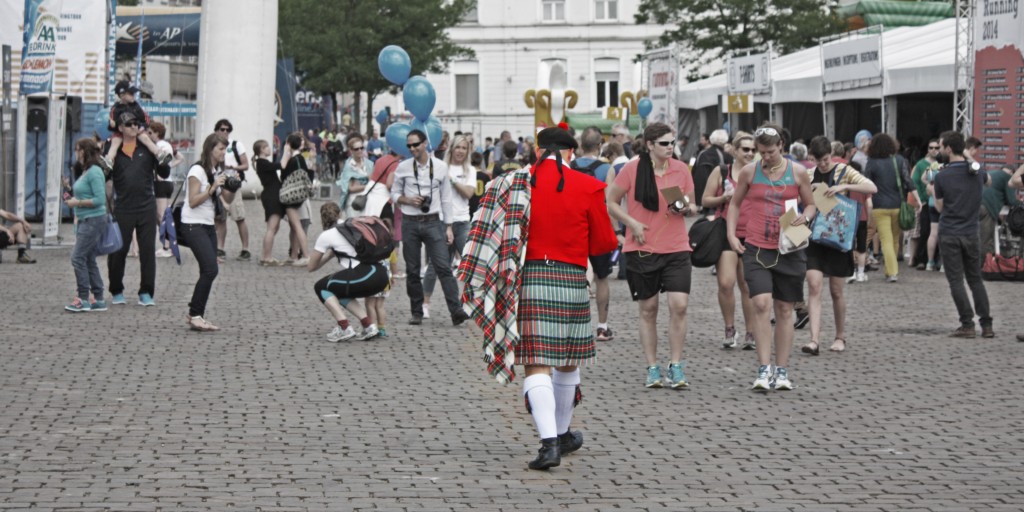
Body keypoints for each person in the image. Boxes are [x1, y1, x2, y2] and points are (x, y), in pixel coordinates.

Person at [460, 124, 617, 470]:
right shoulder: (589, 186)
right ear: (569, 153)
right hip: (573, 278)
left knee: (537, 362)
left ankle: (550, 443)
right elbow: (605, 244)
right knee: (567, 360)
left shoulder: (513, 184)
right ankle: (560, 433)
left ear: (537, 150)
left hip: (531, 277)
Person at [726, 124, 817, 391]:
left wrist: (807, 216)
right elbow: (735, 203)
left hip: (790, 246)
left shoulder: (797, 172)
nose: (765, 157)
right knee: (762, 304)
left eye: (770, 152)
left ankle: (782, 370)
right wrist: (732, 235)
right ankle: (764, 369)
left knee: (786, 309)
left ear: (782, 148)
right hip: (757, 246)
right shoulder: (749, 172)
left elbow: (811, 203)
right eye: (760, 152)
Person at [607, 122, 698, 389]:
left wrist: (687, 208)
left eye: (672, 143)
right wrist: (631, 224)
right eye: (664, 143)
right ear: (649, 145)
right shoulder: (632, 170)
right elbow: (611, 201)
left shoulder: (681, 169)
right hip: (643, 247)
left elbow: (691, 202)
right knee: (648, 310)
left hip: (677, 246)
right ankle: (652, 366)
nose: (670, 147)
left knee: (679, 305)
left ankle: (676, 365)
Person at [800, 136, 876, 355]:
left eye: (825, 160)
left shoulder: (844, 170)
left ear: (830, 155)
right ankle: (814, 340)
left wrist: (844, 186)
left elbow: (872, 187)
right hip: (815, 236)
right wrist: (810, 189)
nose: (822, 164)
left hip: (838, 237)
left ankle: (840, 336)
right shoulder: (809, 174)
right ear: (811, 157)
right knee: (814, 285)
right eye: (818, 160)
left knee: (836, 290)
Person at [390, 129, 470, 326]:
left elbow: (446, 198)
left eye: (415, 144)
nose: (412, 148)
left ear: (425, 143)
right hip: (410, 221)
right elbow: (393, 193)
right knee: (413, 269)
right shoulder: (403, 167)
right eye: (409, 146)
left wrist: (449, 226)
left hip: (434, 221)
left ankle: (456, 311)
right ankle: (416, 312)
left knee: (443, 267)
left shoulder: (441, 167)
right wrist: (407, 200)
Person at [106, 113, 171, 306]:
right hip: (124, 207)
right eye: (129, 124)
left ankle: (146, 292)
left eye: (137, 124)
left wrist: (155, 149)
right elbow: (104, 173)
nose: (134, 127)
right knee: (119, 250)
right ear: (120, 128)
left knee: (147, 250)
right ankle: (116, 290)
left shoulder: (147, 147)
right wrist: (112, 151)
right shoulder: (113, 148)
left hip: (146, 206)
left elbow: (165, 171)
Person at [933, 131, 993, 339]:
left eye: (941, 146)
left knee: (956, 280)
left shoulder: (941, 176)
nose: (939, 150)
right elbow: (990, 180)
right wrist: (968, 157)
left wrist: (932, 187)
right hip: (971, 231)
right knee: (975, 279)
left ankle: (967, 324)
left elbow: (940, 207)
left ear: (949, 149)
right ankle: (986, 325)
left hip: (950, 231)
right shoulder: (976, 173)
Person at [701, 131, 757, 350]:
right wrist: (723, 198)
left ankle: (751, 332)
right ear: (734, 150)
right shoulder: (722, 171)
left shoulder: (759, 172)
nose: (750, 153)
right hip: (726, 229)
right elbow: (705, 198)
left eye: (753, 150)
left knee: (748, 285)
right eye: (745, 149)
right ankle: (729, 328)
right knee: (726, 283)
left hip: (752, 232)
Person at [308, 203, 388, 342]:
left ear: (322, 218)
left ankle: (344, 328)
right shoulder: (354, 226)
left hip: (364, 275)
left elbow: (311, 266)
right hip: (381, 274)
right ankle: (368, 326)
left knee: (321, 286)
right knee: (340, 289)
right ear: (340, 214)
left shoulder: (326, 235)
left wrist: (330, 255)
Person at [571, 126, 618, 341]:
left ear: (580, 145)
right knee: (602, 278)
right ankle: (602, 326)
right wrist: (616, 231)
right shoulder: (606, 168)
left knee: (573, 277)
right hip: (598, 227)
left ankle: (574, 327)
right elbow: (610, 203)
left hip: (574, 227)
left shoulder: (570, 166)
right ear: (600, 146)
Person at [180, 133, 229, 331]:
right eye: (221, 149)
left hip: (208, 224)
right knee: (211, 269)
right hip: (192, 224)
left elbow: (223, 199)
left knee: (206, 270)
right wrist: (212, 188)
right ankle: (195, 314)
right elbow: (192, 201)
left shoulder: (216, 170)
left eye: (226, 149)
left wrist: (231, 186)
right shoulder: (197, 171)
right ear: (210, 149)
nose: (224, 152)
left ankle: (197, 314)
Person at [423, 134, 476, 318]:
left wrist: (452, 180)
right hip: (441, 221)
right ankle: (425, 303)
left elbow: (469, 193)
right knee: (436, 265)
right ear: (451, 148)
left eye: (464, 148)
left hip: (462, 222)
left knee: (469, 263)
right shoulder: (440, 167)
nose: (460, 151)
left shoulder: (470, 170)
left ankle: (471, 302)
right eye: (458, 147)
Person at [64, 138, 108, 312]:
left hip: (93, 219)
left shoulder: (95, 171)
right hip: (85, 219)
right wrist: (68, 191)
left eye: (77, 149)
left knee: (77, 257)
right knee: (88, 258)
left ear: (84, 151)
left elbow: (99, 199)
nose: (76, 153)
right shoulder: (86, 171)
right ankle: (98, 297)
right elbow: (80, 194)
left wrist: (77, 203)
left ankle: (83, 297)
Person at [862, 133, 912, 282]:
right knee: (895, 239)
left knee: (886, 239)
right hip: (897, 205)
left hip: (879, 206)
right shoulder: (899, 160)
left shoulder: (872, 162)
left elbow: (867, 183)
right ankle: (891, 269)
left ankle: (892, 271)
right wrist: (916, 198)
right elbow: (908, 181)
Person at [104, 80, 168, 169]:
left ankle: (159, 154)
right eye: (131, 93)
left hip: (136, 130)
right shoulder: (116, 108)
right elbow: (112, 122)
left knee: (145, 138)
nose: (133, 95)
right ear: (122, 95)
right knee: (115, 143)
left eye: (134, 93)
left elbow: (146, 118)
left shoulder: (135, 105)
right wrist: (113, 124)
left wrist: (142, 127)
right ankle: (109, 161)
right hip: (120, 132)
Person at [212, 119, 251, 262]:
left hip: (233, 183)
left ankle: (245, 249)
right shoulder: (213, 145)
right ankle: (220, 248)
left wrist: (232, 167)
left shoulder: (236, 145)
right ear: (216, 130)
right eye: (222, 129)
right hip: (219, 183)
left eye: (228, 129)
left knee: (239, 216)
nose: (225, 132)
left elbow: (245, 165)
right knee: (220, 219)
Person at [148, 122, 183, 258]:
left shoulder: (160, 146)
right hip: (166, 182)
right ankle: (168, 244)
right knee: (163, 216)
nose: (148, 135)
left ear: (157, 133)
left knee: (161, 215)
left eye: (151, 133)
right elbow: (178, 159)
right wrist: (169, 168)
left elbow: (160, 162)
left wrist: (159, 173)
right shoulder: (167, 145)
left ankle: (168, 246)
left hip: (161, 183)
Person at [280, 132, 313, 266]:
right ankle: (293, 255)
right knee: (295, 227)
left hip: (291, 197)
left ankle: (305, 255)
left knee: (297, 226)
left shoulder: (293, 160)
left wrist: (285, 153)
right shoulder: (301, 158)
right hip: (300, 196)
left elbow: (282, 172)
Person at [252, 140, 285, 266]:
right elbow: (281, 165)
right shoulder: (262, 162)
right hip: (272, 196)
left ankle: (265, 254)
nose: (268, 148)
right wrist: (287, 151)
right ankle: (267, 257)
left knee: (274, 227)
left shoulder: (262, 162)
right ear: (261, 150)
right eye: (266, 147)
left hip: (272, 194)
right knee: (271, 228)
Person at [911, 140, 941, 269]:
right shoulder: (925, 164)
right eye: (931, 147)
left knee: (933, 232)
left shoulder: (937, 165)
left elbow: (922, 179)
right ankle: (924, 260)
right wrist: (921, 197)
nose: (934, 150)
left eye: (936, 147)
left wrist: (929, 186)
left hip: (931, 201)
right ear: (928, 149)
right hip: (928, 202)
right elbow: (916, 181)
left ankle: (930, 261)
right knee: (925, 232)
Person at [981, 164, 1020, 255]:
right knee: (986, 239)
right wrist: (1021, 203)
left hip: (972, 205)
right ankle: (985, 266)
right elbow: (1012, 201)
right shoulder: (1008, 177)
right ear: (1012, 173)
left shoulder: (990, 173)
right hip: (987, 207)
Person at [691, 129, 731, 211]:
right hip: (721, 196)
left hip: (703, 196)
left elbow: (695, 173)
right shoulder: (727, 156)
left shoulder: (702, 154)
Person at [337, 133, 373, 218]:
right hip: (353, 204)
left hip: (367, 201)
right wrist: (367, 185)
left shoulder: (369, 164)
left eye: (362, 148)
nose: (360, 150)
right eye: (357, 149)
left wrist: (359, 184)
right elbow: (350, 188)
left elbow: (373, 181)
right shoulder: (349, 166)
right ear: (351, 150)